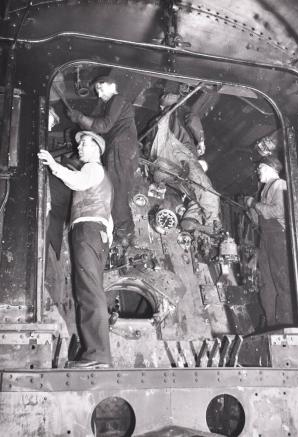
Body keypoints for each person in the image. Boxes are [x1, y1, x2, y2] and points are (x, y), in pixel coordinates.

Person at [38, 131, 113, 368]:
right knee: (88, 291)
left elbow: (77, 182)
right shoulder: (102, 177)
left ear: (97, 149)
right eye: (79, 144)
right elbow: (108, 221)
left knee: (89, 292)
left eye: (84, 144)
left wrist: (53, 165)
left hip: (87, 230)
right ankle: (94, 351)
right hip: (94, 232)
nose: (79, 148)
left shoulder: (92, 168)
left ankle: (97, 355)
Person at [67, 76, 138, 246]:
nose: (98, 94)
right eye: (97, 90)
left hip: (121, 149)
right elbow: (96, 124)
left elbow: (104, 125)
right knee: (118, 189)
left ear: (112, 85)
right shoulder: (108, 105)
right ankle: (124, 229)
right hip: (121, 149)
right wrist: (81, 120)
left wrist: (80, 118)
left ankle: (125, 233)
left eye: (100, 88)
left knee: (118, 190)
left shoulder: (117, 99)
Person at [149, 92, 221, 233]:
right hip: (180, 155)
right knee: (204, 188)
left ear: (162, 106)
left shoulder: (155, 122)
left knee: (191, 191)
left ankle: (190, 218)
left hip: (160, 169)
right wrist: (201, 141)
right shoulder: (180, 111)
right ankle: (212, 222)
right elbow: (193, 119)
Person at [246, 155, 295, 329]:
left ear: (270, 168)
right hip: (267, 238)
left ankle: (287, 322)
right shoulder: (265, 189)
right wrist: (252, 210)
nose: (258, 171)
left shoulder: (279, 184)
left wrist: (255, 204)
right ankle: (271, 323)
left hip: (279, 237)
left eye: (260, 168)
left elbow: (279, 210)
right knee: (266, 282)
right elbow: (261, 218)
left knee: (282, 280)